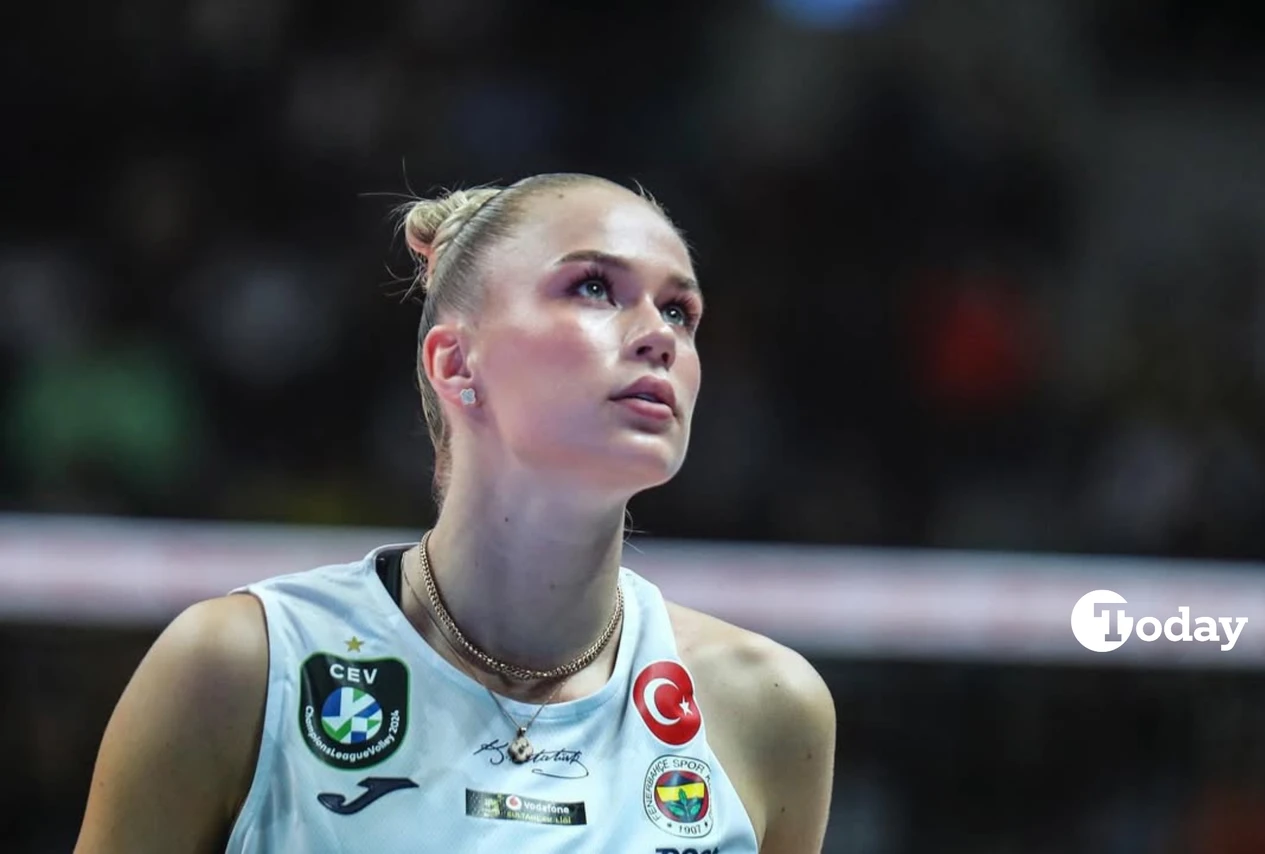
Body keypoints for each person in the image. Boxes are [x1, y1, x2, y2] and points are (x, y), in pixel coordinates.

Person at [74, 173, 837, 853]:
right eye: (595, 288)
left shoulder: (766, 706)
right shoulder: (239, 670)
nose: (658, 338)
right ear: (454, 363)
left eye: (679, 311)